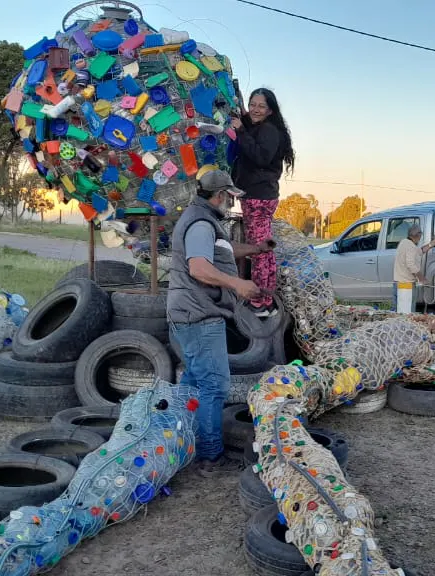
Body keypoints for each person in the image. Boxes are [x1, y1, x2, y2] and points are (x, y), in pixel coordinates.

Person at [168, 169, 273, 477]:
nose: (230, 203)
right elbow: (199, 268)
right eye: (229, 197)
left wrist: (255, 249)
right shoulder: (200, 223)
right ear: (220, 195)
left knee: (194, 382)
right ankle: (210, 458)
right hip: (199, 314)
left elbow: (221, 251)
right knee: (214, 385)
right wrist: (237, 284)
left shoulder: (204, 219)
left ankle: (178, 439)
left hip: (191, 312)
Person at [230, 88, 296, 318]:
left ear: (270, 110)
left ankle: (259, 303)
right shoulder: (262, 126)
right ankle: (267, 298)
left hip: (258, 197)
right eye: (253, 104)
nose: (256, 110)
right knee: (265, 251)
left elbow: (260, 156)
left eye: (261, 106)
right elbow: (247, 122)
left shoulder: (268, 130)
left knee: (257, 250)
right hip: (263, 195)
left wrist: (240, 132)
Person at [392, 224, 435, 304]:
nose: (421, 237)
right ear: (418, 235)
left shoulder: (404, 242)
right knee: (406, 313)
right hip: (405, 286)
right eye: (421, 234)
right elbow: (411, 265)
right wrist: (422, 279)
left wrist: (432, 244)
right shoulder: (410, 246)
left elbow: (420, 251)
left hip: (398, 283)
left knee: (397, 313)